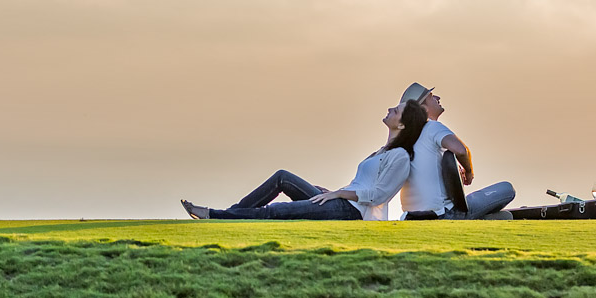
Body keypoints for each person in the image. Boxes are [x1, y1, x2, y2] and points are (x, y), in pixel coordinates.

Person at [182, 100, 429, 220]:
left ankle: (214, 215)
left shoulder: (400, 157)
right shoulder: (383, 151)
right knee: (283, 178)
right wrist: (333, 191)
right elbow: (362, 185)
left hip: (351, 213)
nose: (390, 109)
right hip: (341, 202)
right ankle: (230, 214)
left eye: (396, 110)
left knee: (277, 212)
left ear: (403, 124)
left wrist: (339, 195)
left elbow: (379, 195)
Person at [397, 82, 514, 218]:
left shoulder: (405, 139)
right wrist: (468, 171)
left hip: (413, 217)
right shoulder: (431, 127)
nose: (438, 98)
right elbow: (461, 150)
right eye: (431, 97)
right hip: (445, 213)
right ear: (423, 109)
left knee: (505, 217)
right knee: (507, 189)